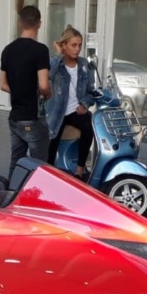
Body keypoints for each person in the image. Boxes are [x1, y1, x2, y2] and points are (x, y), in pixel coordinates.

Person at [0, 5, 52, 172]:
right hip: (33, 117)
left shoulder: (7, 50)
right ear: (39, 24)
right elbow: (43, 85)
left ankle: (10, 193)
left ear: (20, 23)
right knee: (39, 166)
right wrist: (47, 93)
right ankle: (34, 196)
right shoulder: (40, 50)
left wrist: (19, 90)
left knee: (16, 161)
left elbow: (3, 85)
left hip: (15, 117)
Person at [45, 26, 97, 179]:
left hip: (76, 110)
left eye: (79, 45)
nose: (77, 49)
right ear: (64, 45)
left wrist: (85, 105)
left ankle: (79, 171)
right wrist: (57, 54)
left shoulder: (84, 65)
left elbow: (91, 92)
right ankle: (48, 175)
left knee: (90, 126)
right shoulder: (56, 64)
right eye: (73, 45)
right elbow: (47, 75)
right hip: (57, 111)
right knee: (52, 141)